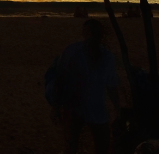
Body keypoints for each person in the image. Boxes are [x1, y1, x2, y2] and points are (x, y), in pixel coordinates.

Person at [51, 19, 120, 154]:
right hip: (74, 107)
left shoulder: (107, 57)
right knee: (72, 146)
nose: (90, 35)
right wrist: (56, 106)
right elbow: (61, 79)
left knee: (102, 146)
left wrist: (118, 109)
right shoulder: (73, 52)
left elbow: (112, 85)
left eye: (93, 32)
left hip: (97, 108)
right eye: (87, 32)